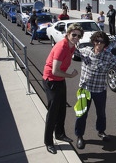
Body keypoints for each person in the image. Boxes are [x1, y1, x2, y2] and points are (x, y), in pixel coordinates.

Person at [74, 31, 116, 149]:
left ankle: (101, 131)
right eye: (97, 41)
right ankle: (79, 136)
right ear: (93, 41)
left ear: (105, 44)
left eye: (102, 42)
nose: (99, 44)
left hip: (99, 90)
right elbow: (71, 50)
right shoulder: (85, 51)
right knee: (81, 114)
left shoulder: (108, 56)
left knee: (101, 114)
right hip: (85, 90)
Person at [42, 23, 83, 154]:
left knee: (61, 109)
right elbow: (54, 71)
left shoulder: (71, 46)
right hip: (51, 80)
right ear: (68, 34)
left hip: (60, 80)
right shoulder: (62, 47)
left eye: (78, 35)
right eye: (73, 35)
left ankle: (59, 133)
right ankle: (48, 142)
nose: (76, 37)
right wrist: (70, 76)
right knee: (53, 112)